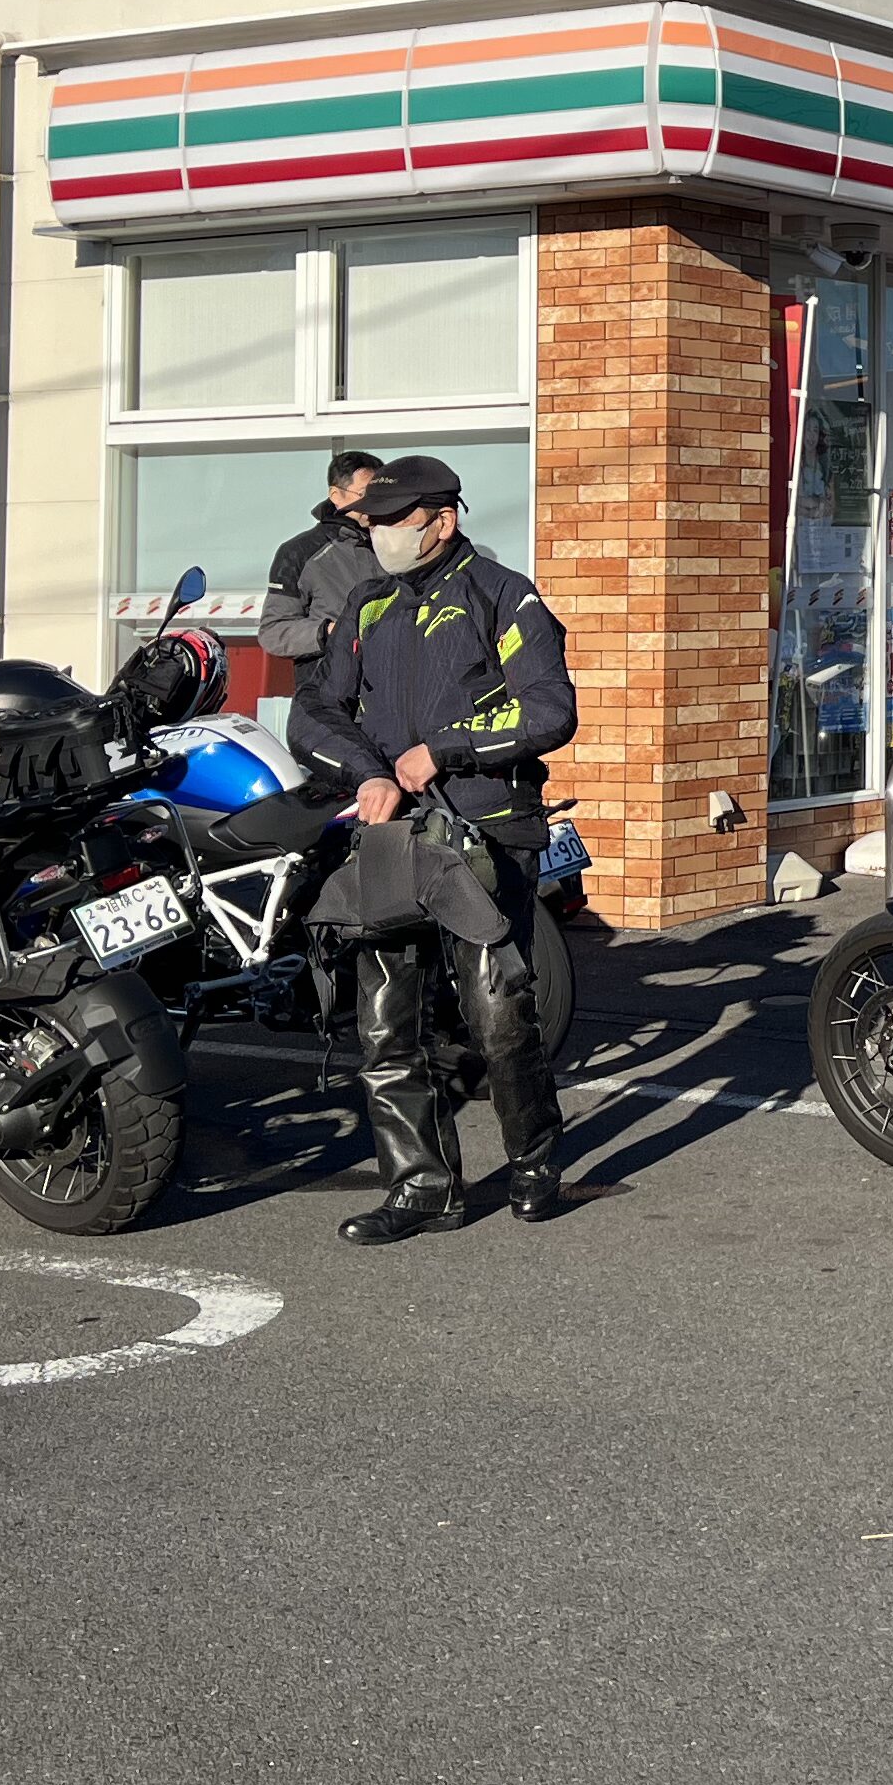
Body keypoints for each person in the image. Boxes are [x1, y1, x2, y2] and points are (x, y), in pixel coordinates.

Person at [290, 456, 581, 1238]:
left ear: (441, 521)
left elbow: (550, 710)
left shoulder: (503, 594)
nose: (378, 535)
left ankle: (534, 1163)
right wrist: (369, 772)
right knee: (384, 1024)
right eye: (371, 523)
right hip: (391, 838)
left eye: (392, 521)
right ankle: (421, 1188)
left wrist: (445, 749)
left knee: (498, 1016)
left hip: (485, 831)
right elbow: (313, 712)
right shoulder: (367, 603)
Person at [259, 448, 386, 669]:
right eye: (364, 494)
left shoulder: (394, 545)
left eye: (379, 495)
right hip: (326, 683)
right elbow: (273, 632)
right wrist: (328, 631)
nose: (372, 504)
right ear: (336, 495)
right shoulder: (299, 552)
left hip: (390, 680)